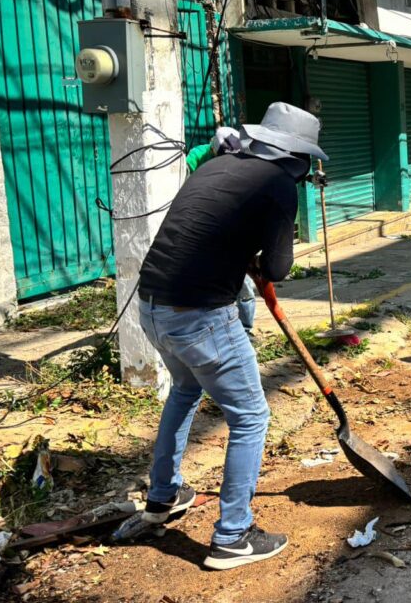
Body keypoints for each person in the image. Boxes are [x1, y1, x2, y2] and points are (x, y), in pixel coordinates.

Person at [134, 102, 328, 570]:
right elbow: (279, 267)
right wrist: (259, 258)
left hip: (152, 304)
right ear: (297, 158)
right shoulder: (278, 185)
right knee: (250, 417)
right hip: (201, 313)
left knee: (184, 390)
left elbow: (209, 228)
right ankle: (233, 536)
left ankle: (163, 496)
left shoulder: (221, 162)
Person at [186, 128, 259, 333]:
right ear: (213, 149)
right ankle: (212, 327)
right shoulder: (197, 157)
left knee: (243, 283)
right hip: (205, 225)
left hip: (234, 223)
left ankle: (246, 329)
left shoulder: (244, 156)